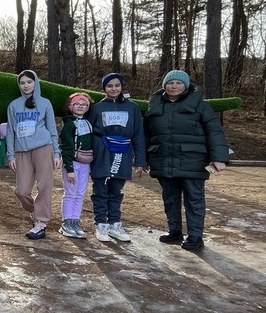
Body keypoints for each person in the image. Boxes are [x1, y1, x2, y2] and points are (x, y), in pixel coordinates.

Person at [145, 70, 230, 251]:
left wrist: (219, 157)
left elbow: (214, 132)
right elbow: (146, 134)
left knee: (194, 199)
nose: (174, 86)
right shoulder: (155, 104)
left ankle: (195, 236)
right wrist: (142, 159)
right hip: (163, 159)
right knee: (170, 198)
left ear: (186, 85)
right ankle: (174, 231)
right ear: (164, 86)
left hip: (193, 160)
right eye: (170, 83)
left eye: (178, 83)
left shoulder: (201, 106)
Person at [86, 73, 146, 242]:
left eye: (117, 85)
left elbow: (138, 134)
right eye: (110, 86)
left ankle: (114, 224)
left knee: (116, 190)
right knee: (101, 189)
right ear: (104, 88)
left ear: (121, 87)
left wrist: (140, 160)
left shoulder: (132, 107)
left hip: (123, 152)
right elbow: (88, 132)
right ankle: (101, 224)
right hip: (102, 151)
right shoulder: (97, 108)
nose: (113, 89)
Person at [5, 70, 61, 240]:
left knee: (44, 185)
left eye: (29, 82)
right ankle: (34, 210)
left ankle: (41, 222)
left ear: (35, 83)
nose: (26, 85)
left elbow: (52, 129)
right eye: (22, 83)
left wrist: (56, 153)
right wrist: (11, 155)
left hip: (44, 148)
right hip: (22, 151)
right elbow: (10, 132)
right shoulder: (14, 105)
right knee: (21, 190)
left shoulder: (45, 103)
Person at [58, 93, 93, 239]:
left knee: (80, 194)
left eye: (83, 104)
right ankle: (66, 222)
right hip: (72, 163)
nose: (80, 106)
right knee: (70, 192)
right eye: (77, 103)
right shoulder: (69, 125)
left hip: (85, 163)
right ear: (71, 106)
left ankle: (75, 220)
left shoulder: (88, 123)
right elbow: (66, 148)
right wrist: (69, 169)